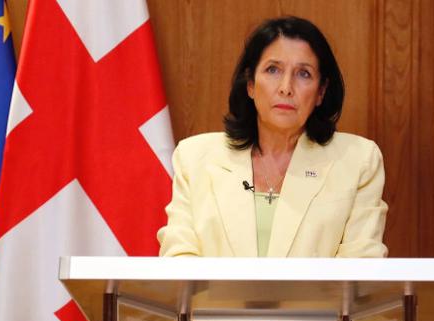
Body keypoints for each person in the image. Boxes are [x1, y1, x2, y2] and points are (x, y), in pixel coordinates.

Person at [157, 16, 388, 257]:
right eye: (273, 70)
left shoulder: (358, 161)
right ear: (250, 84)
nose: (286, 87)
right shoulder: (195, 158)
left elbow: (361, 266)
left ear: (321, 91)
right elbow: (179, 260)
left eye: (304, 74)